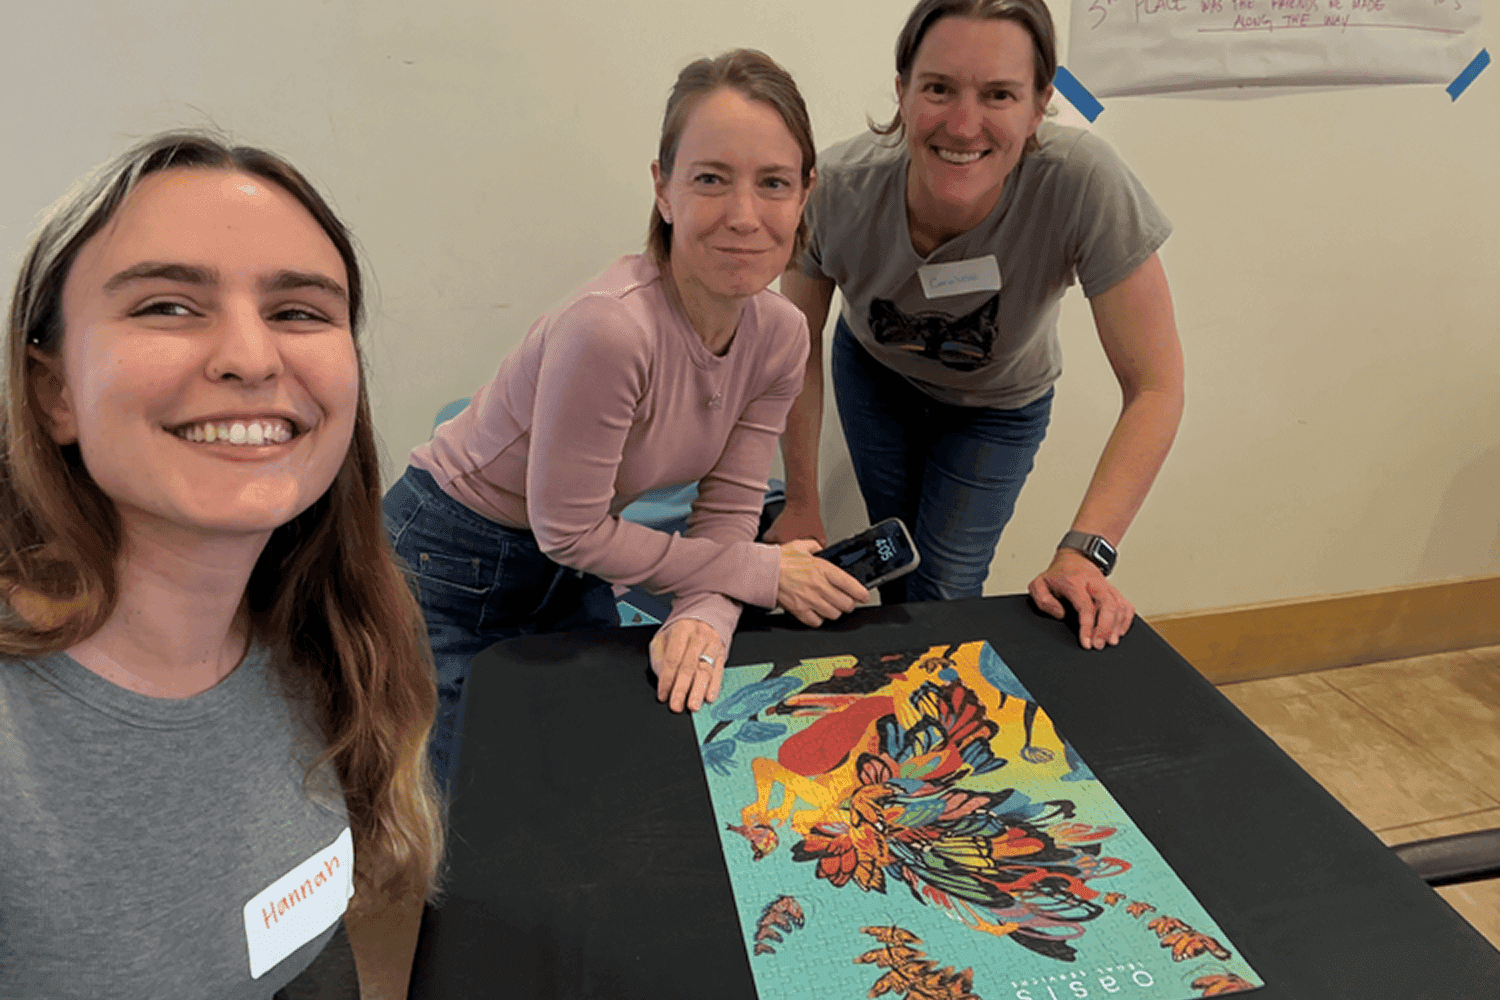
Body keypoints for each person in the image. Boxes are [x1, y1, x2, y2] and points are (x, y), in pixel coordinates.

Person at [0, 132, 443, 999]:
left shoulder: (330, 639)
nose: (249, 356)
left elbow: (297, 954)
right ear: (55, 391)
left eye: (300, 311)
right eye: (168, 306)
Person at [383, 49, 867, 792]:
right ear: (664, 190)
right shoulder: (608, 330)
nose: (743, 214)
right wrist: (757, 574)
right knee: (474, 809)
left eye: (773, 183)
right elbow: (569, 528)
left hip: (568, 558)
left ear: (806, 195)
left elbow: (731, 505)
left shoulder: (780, 335)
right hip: (446, 560)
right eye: (710, 178)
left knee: (595, 772)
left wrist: (705, 613)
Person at [763, 0, 1184, 650]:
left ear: (1039, 103)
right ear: (902, 91)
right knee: (895, 561)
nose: (964, 125)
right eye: (938, 89)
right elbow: (791, 349)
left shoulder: (1084, 184)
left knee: (948, 584)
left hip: (1000, 405)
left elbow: (1156, 386)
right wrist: (800, 500)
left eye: (999, 94)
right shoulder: (837, 189)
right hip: (874, 378)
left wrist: (1085, 551)